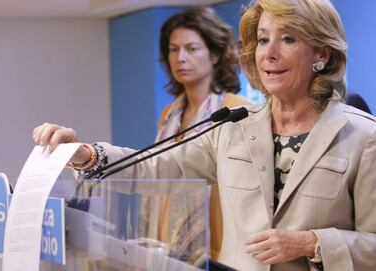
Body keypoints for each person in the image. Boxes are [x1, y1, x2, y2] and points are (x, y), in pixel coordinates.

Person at [33, 0, 376, 270]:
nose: (269, 54)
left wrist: (311, 242)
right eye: (262, 39)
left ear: (322, 53)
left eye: (288, 39)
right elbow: (153, 167)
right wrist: (83, 153)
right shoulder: (231, 127)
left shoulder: (363, 136)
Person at [155, 6, 248, 260]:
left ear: (215, 54)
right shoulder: (168, 115)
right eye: (173, 50)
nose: (180, 58)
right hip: (168, 248)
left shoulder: (236, 108)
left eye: (192, 48)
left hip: (218, 247)